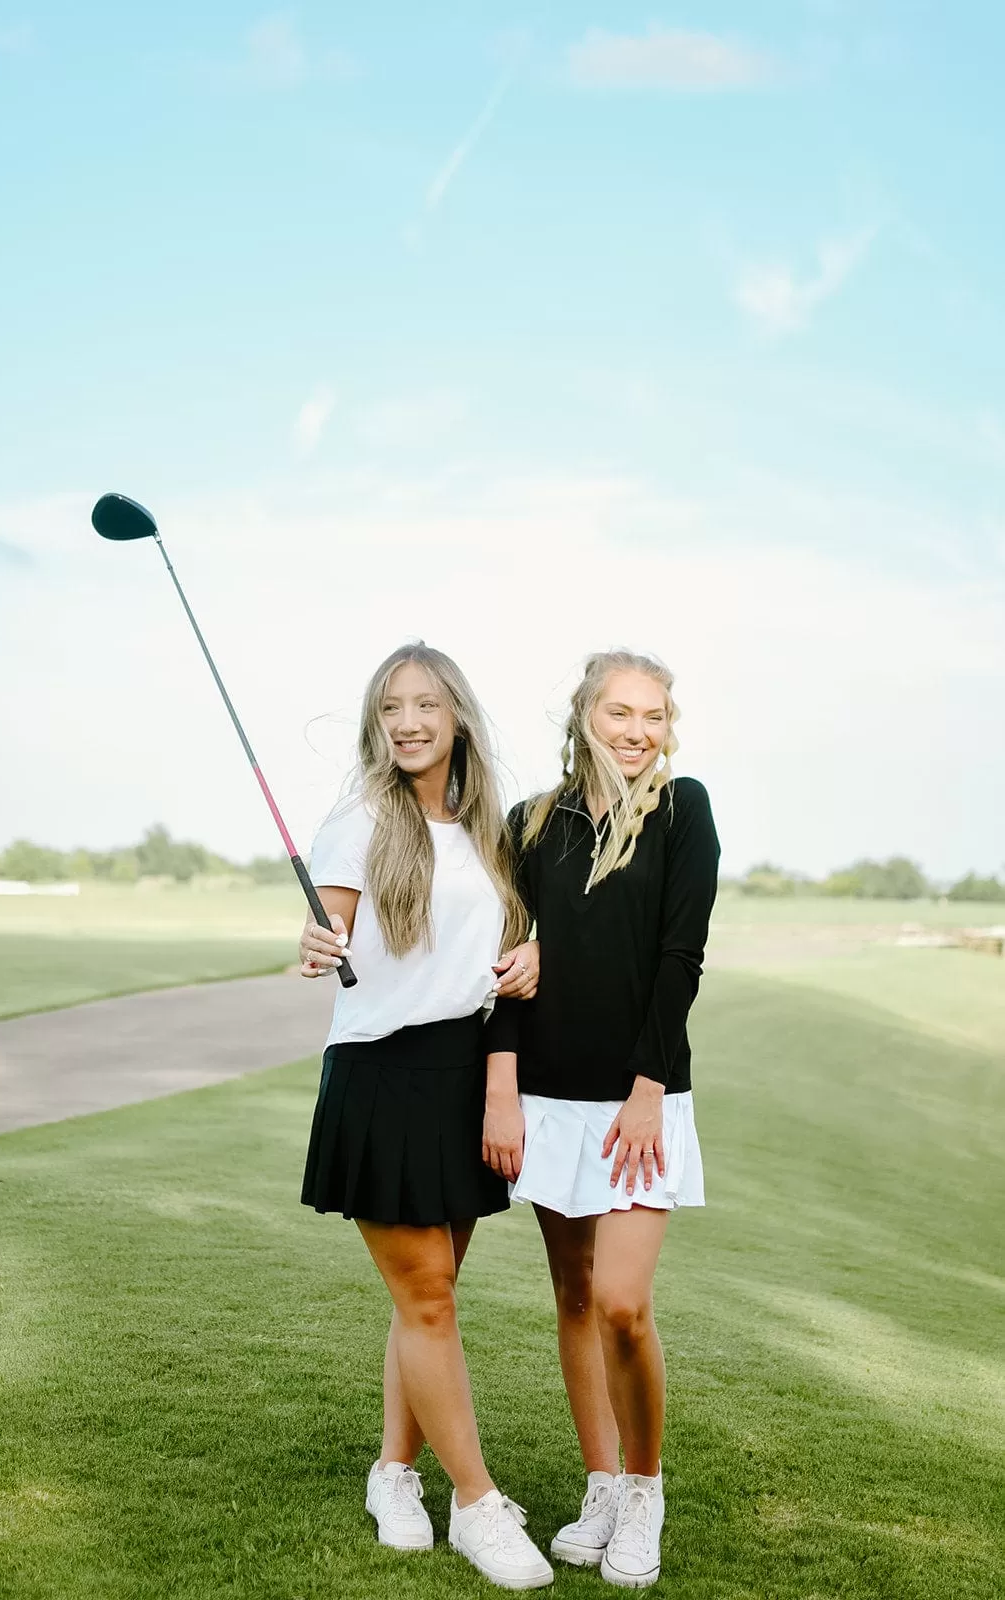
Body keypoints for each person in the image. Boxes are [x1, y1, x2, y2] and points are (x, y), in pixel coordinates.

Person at [297, 642, 553, 1591]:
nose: (406, 722)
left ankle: (393, 1473)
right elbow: (327, 924)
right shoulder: (359, 818)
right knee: (430, 1300)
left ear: (458, 718)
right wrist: (318, 941)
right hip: (381, 1072)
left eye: (425, 705)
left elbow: (511, 947)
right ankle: (479, 1506)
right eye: (390, 707)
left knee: (429, 1298)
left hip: (462, 1073)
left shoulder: (491, 830)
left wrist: (535, 957)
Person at [483, 649, 720, 1589]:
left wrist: (648, 1090)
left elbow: (680, 955)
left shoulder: (682, 808)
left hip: (640, 1100)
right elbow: (507, 959)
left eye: (652, 716)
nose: (635, 731)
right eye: (618, 713)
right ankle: (602, 1487)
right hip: (546, 1096)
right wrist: (501, 1088)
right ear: (584, 716)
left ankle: (645, 1488)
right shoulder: (529, 823)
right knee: (575, 1300)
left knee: (623, 1305)